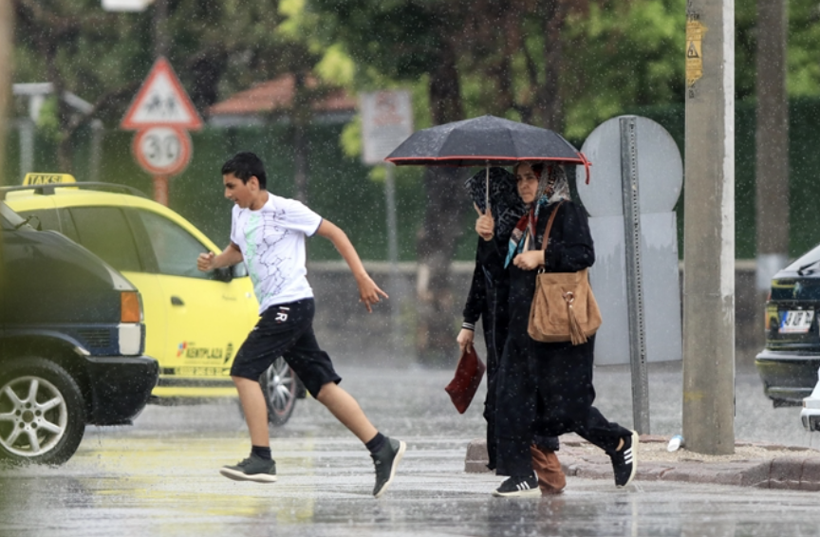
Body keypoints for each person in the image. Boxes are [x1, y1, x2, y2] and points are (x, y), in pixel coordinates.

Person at [197, 152, 405, 498]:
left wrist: (362, 277)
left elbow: (335, 233)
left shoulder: (286, 209)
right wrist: (216, 260)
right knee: (322, 387)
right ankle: (382, 446)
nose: (227, 194)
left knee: (244, 370)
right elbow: (238, 249)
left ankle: (261, 458)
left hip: (291, 304)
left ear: (253, 182)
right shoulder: (239, 213)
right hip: (279, 308)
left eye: (231, 186)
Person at [480, 161, 637, 498]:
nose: (524, 185)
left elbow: (584, 254)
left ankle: (618, 441)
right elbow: (498, 272)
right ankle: (521, 474)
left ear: (548, 180)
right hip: (523, 328)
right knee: (506, 400)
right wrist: (490, 237)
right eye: (520, 179)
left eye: (531, 179)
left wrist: (542, 256)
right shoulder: (520, 222)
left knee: (568, 407)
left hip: (561, 329)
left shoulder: (566, 212)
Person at [456, 167, 566, 495]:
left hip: (529, 320)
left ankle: (542, 466)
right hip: (499, 324)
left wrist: (503, 244)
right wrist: (468, 322)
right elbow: (483, 274)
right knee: (502, 397)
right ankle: (515, 468)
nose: (478, 206)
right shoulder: (497, 226)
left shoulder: (530, 222)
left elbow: (509, 274)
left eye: (482, 199)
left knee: (523, 396)